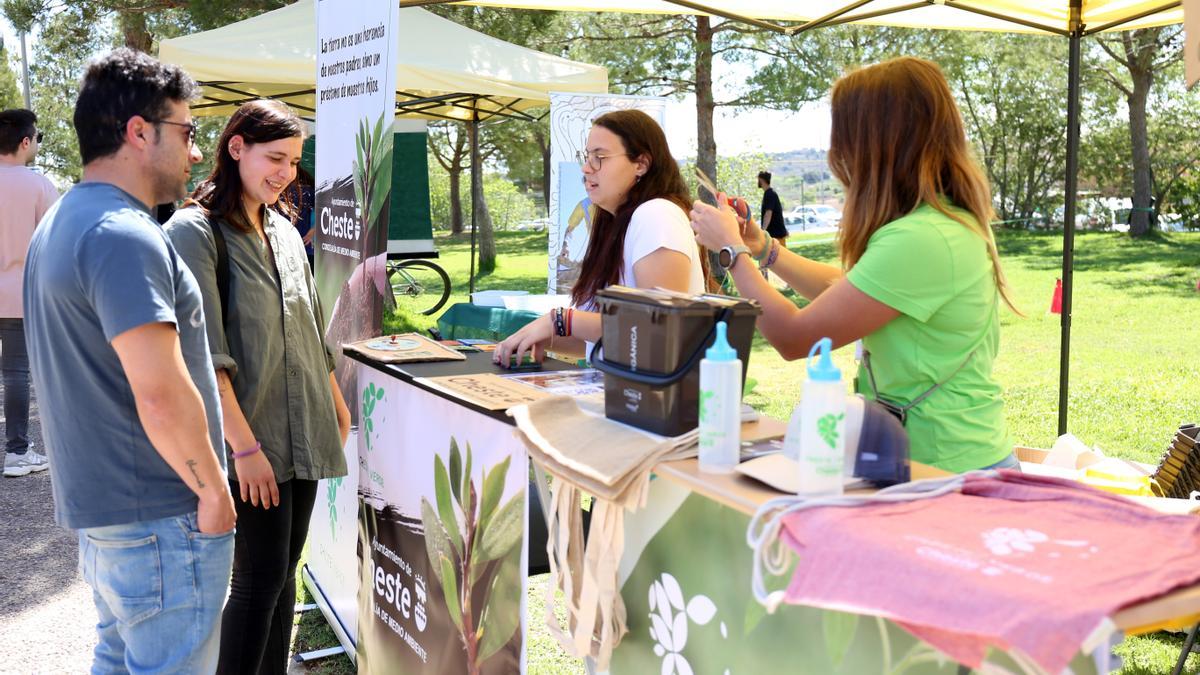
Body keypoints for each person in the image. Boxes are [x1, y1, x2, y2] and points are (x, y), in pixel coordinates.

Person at [690, 56, 1020, 473]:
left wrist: (731, 253)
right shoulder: (939, 223)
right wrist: (762, 247)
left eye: (843, 133)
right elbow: (849, 289)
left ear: (877, 141)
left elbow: (794, 338)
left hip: (947, 468)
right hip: (940, 459)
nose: (836, 152)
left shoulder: (922, 239)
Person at [23, 48, 236, 672]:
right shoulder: (122, 234)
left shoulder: (65, 219)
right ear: (139, 132)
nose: (197, 152)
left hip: (116, 516)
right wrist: (214, 491)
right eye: (188, 131)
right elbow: (161, 393)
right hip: (162, 512)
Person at [165, 98, 351, 675]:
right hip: (251, 439)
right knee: (256, 583)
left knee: (283, 575)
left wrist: (337, 409)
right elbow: (204, 357)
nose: (285, 174)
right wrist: (244, 450)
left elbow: (310, 331)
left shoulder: (285, 230)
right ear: (236, 147)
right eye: (276, 157)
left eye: (294, 162)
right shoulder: (195, 232)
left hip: (305, 432)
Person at [495, 109, 711, 366]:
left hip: (658, 400)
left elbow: (657, 326)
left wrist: (562, 320)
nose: (586, 168)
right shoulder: (618, 222)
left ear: (640, 164)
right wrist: (538, 337)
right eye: (586, 157)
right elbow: (607, 338)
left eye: (600, 157)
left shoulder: (657, 214)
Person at [0, 108, 57, 477]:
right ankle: (18, 452)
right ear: (25, 141)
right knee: (16, 372)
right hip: (17, 294)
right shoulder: (38, 185)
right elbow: (57, 242)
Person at [758, 170, 787, 246]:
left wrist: (763, 230)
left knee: (780, 257)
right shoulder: (769, 193)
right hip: (773, 235)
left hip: (776, 235)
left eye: (758, 179)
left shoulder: (770, 194)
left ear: (761, 180)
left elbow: (768, 213)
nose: (757, 182)